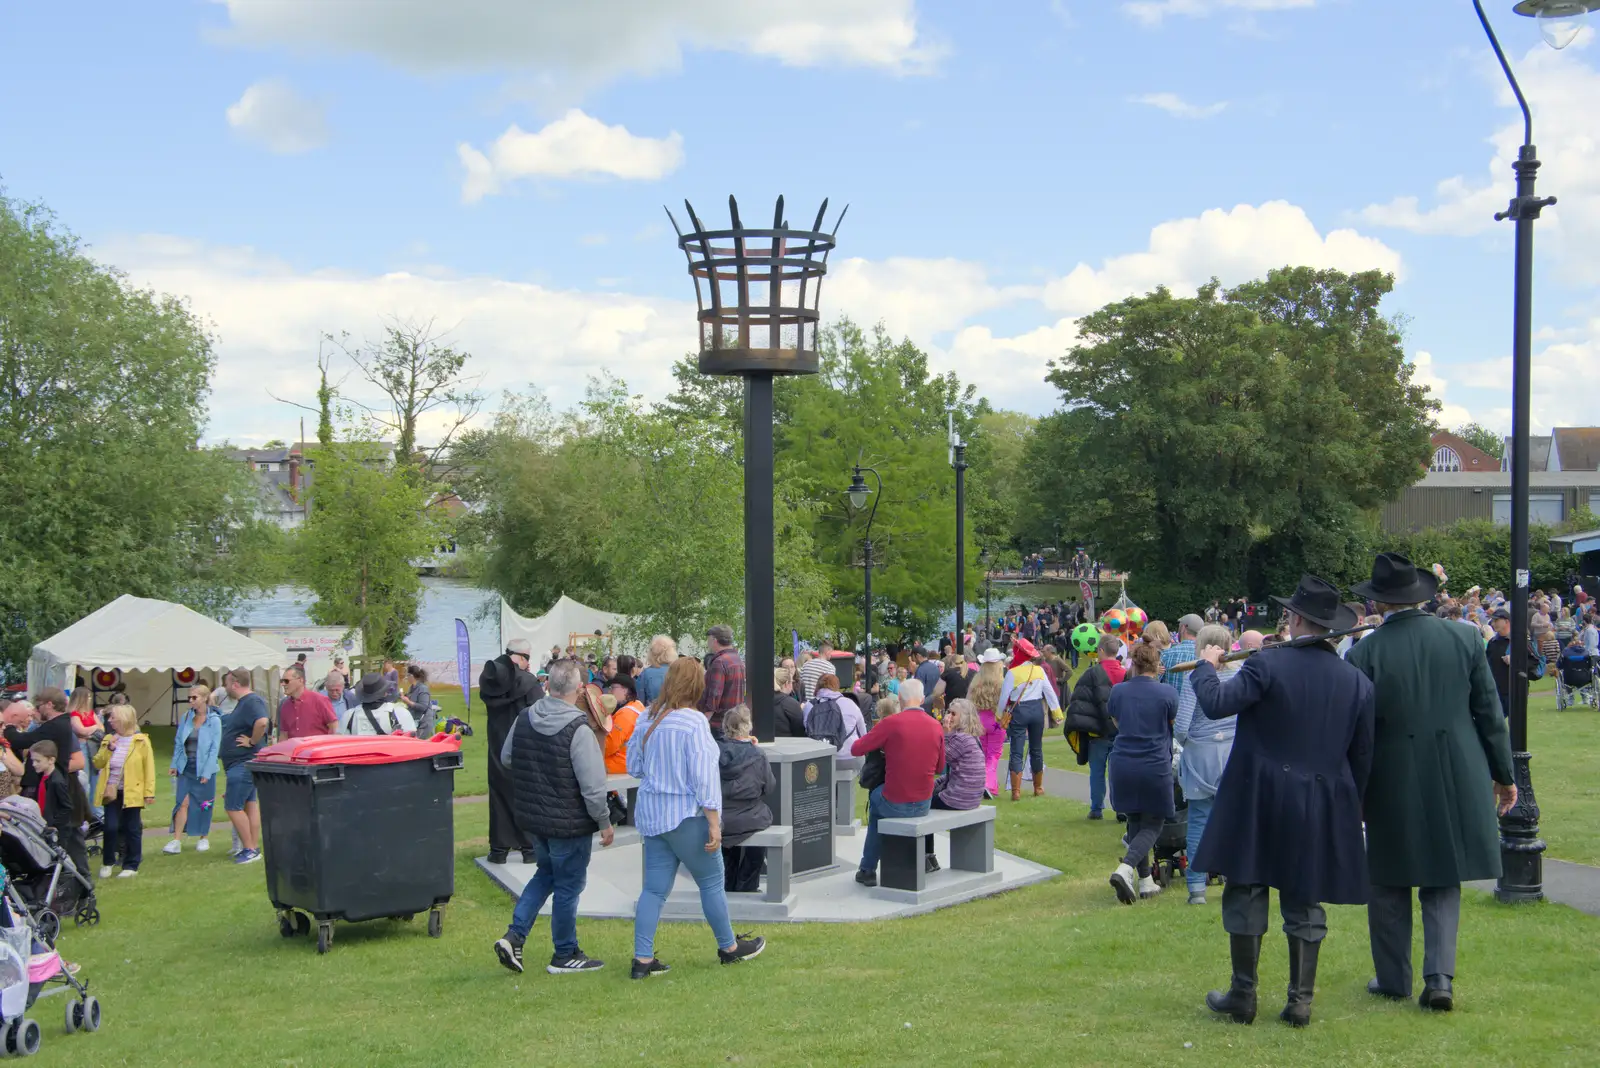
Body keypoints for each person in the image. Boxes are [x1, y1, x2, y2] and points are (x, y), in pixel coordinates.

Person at [1189, 575, 1375, 1029]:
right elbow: (1363, 757)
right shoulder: (1357, 682)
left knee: (1247, 887)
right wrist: (1353, 808)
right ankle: (1300, 1001)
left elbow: (1215, 703)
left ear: (1293, 619)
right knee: (1305, 894)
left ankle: (1243, 994)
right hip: (1320, 798)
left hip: (1259, 794)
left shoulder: (1266, 664)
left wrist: (1205, 665)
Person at [1346, 553, 1516, 1013]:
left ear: (1379, 602)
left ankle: (1393, 977)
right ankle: (1439, 977)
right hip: (1455, 767)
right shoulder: (1464, 639)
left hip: (1390, 771)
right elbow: (1490, 715)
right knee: (1443, 873)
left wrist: (1355, 790)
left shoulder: (1364, 653)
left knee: (1387, 877)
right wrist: (1504, 775)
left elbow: (1358, 734)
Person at [629, 657, 766, 979]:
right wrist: (715, 823)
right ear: (698, 685)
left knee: (653, 890)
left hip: (652, 816)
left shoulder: (647, 718)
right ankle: (729, 947)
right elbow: (705, 778)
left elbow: (634, 767)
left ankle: (642, 959)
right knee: (711, 882)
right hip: (686, 815)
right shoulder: (693, 722)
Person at [492, 660, 614, 976]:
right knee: (568, 885)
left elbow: (507, 758)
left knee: (546, 874)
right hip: (568, 823)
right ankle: (564, 952)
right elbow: (593, 787)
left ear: (549, 685)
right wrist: (604, 821)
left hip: (535, 819)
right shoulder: (579, 728)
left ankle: (514, 936)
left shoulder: (525, 718)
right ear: (580, 689)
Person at [850, 677, 946, 888]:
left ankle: (867, 869)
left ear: (900, 700)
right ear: (921, 699)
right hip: (923, 802)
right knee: (879, 801)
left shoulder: (890, 724)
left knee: (875, 802)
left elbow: (856, 748)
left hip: (894, 799)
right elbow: (940, 769)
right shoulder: (936, 726)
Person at [1106, 643, 1178, 904]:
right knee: (1155, 821)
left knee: (1135, 818)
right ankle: (1125, 869)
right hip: (1154, 763)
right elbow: (1171, 723)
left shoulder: (1118, 691)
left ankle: (1146, 881)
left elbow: (1116, 722)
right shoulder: (1167, 693)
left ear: (1133, 664)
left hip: (1123, 762)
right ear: (1157, 666)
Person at [1174, 624, 1238, 904]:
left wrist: (1189, 742)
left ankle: (1197, 887)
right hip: (1233, 751)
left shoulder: (1193, 676)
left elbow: (1182, 725)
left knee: (1199, 821)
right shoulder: (1240, 672)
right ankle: (1236, 880)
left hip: (1201, 752)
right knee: (1235, 821)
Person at [480, 639, 544, 865]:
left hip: (498, 745)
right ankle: (529, 849)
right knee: (526, 796)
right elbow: (540, 715)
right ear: (523, 657)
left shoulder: (490, 680)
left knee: (498, 797)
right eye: (528, 657)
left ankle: (498, 850)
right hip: (524, 746)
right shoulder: (529, 682)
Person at [717, 705, 776, 893]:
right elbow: (770, 786)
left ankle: (729, 883)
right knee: (758, 836)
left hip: (719, 817)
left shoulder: (713, 751)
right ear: (748, 726)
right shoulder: (757, 754)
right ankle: (747, 885)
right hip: (750, 816)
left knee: (728, 844)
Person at [92, 704, 155, 879]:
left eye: (113, 717)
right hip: (111, 792)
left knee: (132, 827)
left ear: (124, 719)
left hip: (132, 791)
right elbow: (97, 763)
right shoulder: (108, 739)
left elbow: (148, 767)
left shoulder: (141, 741)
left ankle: (131, 864)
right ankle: (108, 861)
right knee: (110, 827)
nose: (110, 721)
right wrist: (108, 749)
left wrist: (149, 792)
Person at [924, 699, 985, 872]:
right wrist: (933, 785)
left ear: (964, 718)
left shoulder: (960, 739)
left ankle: (927, 858)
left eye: (953, 714)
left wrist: (944, 731)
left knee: (920, 806)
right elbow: (951, 775)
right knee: (927, 796)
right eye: (948, 712)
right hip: (972, 797)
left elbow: (937, 758)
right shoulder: (972, 739)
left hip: (959, 798)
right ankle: (929, 858)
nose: (948, 716)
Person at [1065, 634, 1122, 820]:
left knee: (1097, 772)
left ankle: (1096, 808)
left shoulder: (1091, 674)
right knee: (1118, 773)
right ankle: (1120, 809)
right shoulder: (1126, 673)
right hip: (1121, 732)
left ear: (1101, 650)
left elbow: (1080, 703)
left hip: (1097, 731)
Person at [997, 637, 1060, 800]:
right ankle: (1038, 787)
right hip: (1037, 710)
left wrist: (999, 715)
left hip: (1019, 711)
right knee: (1036, 749)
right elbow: (1050, 693)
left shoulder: (1012, 673)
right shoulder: (1039, 670)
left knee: (1016, 750)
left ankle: (1016, 791)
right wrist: (1057, 713)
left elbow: (1004, 697)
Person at [220, 668, 270, 864]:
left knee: (232, 806)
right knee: (250, 804)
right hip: (240, 763)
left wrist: (252, 741)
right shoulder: (244, 703)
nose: (225, 688)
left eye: (226, 684)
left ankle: (250, 849)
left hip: (243, 763)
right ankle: (252, 847)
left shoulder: (252, 701)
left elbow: (262, 722)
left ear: (235, 684)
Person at [165, 683, 221, 855]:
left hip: (204, 768)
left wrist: (207, 771)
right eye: (189, 697)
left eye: (194, 697)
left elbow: (214, 748)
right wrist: (175, 763)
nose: (191, 700)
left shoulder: (214, 721)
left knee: (204, 804)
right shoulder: (186, 717)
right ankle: (176, 840)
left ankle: (203, 837)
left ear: (204, 698)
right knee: (182, 802)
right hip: (186, 767)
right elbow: (178, 742)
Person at [28, 741, 91, 880]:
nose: (34, 764)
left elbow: (66, 806)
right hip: (50, 825)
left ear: (51, 760)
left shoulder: (57, 781)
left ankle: (85, 886)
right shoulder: (44, 778)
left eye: (38, 761)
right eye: (33, 761)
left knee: (72, 857)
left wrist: (55, 824)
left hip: (62, 829)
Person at [4, 688, 82, 797]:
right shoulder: (61, 723)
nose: (38, 710)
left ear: (49, 704)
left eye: (39, 706)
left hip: (46, 784)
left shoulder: (55, 725)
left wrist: (9, 727)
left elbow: (22, 741)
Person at [802, 672, 868, 769]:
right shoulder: (850, 703)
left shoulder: (809, 706)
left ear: (818, 686)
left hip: (821, 759)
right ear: (837, 686)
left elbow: (807, 729)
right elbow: (863, 733)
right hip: (850, 757)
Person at [967, 651, 1008, 798]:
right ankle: (989, 785)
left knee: (983, 754)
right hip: (997, 720)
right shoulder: (1003, 683)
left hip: (980, 720)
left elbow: (968, 702)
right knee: (994, 754)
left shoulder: (976, 682)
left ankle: (983, 784)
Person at [699, 625, 746, 737]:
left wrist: (703, 722)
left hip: (718, 724)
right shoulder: (737, 660)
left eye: (708, 640)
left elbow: (714, 696)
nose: (708, 643)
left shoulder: (719, 662)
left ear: (714, 640)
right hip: (734, 721)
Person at [341, 672, 417, 736]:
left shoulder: (349, 716)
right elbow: (411, 744)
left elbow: (341, 744)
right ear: (385, 693)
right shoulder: (400, 714)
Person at [277, 664, 338, 740]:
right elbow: (283, 735)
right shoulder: (285, 706)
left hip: (317, 750)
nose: (283, 684)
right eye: (281, 681)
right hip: (294, 751)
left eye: (286, 681)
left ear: (300, 680)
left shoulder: (319, 700)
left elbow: (334, 727)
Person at [603, 675, 643, 775]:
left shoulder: (626, 714)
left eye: (613, 688)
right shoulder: (638, 705)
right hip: (633, 761)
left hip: (621, 762)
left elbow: (609, 747)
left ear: (625, 690)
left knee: (588, 765)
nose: (609, 692)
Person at [637, 636, 676, 710]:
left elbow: (639, 702)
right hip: (674, 715)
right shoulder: (678, 672)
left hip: (651, 715)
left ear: (651, 654)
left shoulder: (645, 674)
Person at [400, 664, 435, 734]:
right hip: (414, 720)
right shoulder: (411, 687)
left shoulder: (423, 688)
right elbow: (411, 699)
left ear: (411, 676)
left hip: (423, 723)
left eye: (408, 675)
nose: (406, 677)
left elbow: (423, 707)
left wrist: (408, 702)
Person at [772, 668, 806, 738]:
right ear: (787, 683)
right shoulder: (791, 704)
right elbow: (800, 733)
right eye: (792, 682)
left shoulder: (760, 701)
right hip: (787, 744)